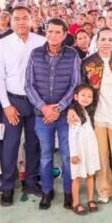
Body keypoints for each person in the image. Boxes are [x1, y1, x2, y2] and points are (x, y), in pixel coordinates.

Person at [25, 18, 81, 210]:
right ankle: (47, 191)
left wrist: (58, 108)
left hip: (65, 116)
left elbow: (76, 84)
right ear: (45, 33)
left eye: (58, 32)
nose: (53, 35)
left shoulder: (72, 55)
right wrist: (44, 108)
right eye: (50, 31)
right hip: (42, 115)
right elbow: (28, 85)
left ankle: (68, 192)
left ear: (65, 35)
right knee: (46, 155)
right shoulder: (35, 54)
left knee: (66, 155)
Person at [0, 6, 45, 204]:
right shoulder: (2, 44)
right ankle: (7, 186)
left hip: (36, 102)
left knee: (34, 143)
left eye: (25, 18)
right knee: (10, 145)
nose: (21, 22)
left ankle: (31, 181)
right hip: (13, 101)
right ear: (10, 21)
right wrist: (5, 105)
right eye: (17, 19)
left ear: (32, 20)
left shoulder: (42, 42)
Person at [77, 28, 112, 206]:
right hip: (97, 117)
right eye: (103, 39)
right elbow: (82, 90)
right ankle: (103, 191)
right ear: (97, 40)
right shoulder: (87, 62)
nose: (106, 42)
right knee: (101, 156)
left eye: (110, 39)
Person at [67, 84, 101, 216]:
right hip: (79, 150)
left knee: (90, 174)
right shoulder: (74, 113)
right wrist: (73, 154)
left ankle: (90, 199)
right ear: (75, 97)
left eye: (89, 96)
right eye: (83, 95)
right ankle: (75, 202)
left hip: (89, 149)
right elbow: (71, 136)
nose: (86, 98)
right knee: (77, 176)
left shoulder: (87, 111)